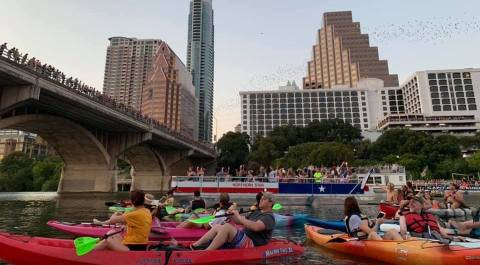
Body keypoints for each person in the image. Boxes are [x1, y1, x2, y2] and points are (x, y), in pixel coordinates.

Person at [190, 192, 276, 250]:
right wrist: (231, 215)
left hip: (253, 244)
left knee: (227, 227)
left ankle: (206, 252)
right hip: (244, 238)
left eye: (264, 199)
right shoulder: (257, 212)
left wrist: (239, 216)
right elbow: (239, 221)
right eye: (261, 198)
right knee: (217, 227)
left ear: (270, 203)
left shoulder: (269, 217)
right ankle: (195, 245)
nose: (261, 200)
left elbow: (256, 227)